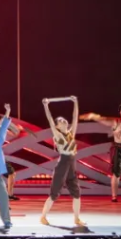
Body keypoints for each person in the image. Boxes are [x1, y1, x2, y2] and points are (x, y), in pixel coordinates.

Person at [39, 96, 85, 227]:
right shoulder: (58, 135)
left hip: (71, 163)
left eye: (63, 119)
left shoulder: (71, 134)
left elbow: (75, 118)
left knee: (76, 192)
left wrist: (75, 102)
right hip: (63, 163)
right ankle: (43, 216)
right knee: (54, 193)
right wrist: (46, 106)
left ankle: (77, 218)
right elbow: (50, 120)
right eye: (59, 120)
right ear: (57, 126)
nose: (63, 120)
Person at [81, 105, 121, 202]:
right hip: (119, 149)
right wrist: (93, 116)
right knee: (116, 174)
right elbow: (102, 119)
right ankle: (114, 196)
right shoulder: (115, 122)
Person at [0, 113, 22, 200]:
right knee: (11, 173)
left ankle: (9, 194)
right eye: (0, 121)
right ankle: (8, 195)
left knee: (11, 174)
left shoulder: (2, 129)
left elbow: (14, 134)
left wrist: (18, 129)